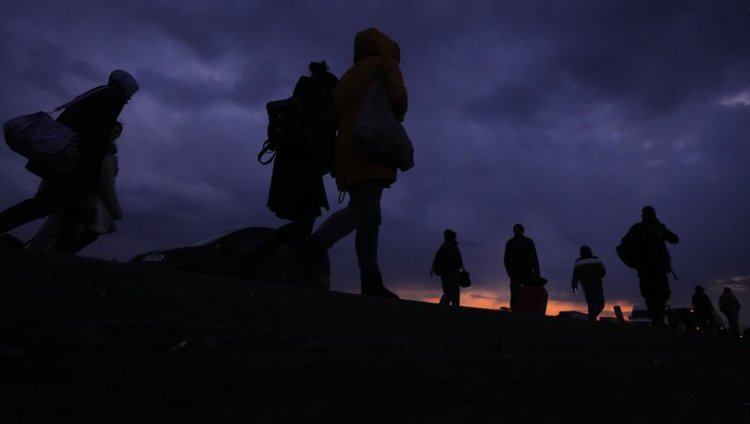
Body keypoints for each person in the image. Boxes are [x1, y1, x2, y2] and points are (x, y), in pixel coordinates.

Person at [305, 28, 408, 298]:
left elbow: (333, 115)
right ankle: (314, 245)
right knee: (364, 209)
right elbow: (398, 99)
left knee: (370, 216)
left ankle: (371, 279)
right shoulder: (386, 64)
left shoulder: (349, 75)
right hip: (372, 145)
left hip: (347, 150)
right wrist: (396, 113)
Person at [0, 70, 138, 253]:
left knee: (65, 209)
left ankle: (60, 258)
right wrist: (79, 151)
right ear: (126, 87)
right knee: (51, 206)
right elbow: (95, 131)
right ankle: (60, 259)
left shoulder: (97, 93)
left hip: (67, 160)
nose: (128, 100)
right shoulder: (114, 96)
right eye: (131, 93)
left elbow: (72, 123)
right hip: (76, 165)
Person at [251, 61, 338, 287]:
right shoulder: (317, 103)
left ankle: (255, 258)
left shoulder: (299, 101)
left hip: (288, 170)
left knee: (301, 221)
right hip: (304, 171)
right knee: (304, 220)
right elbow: (321, 143)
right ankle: (296, 275)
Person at [27, 122, 124, 254]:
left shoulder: (109, 152)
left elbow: (108, 180)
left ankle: (49, 255)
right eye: (113, 130)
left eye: (117, 132)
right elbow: (106, 181)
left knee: (72, 229)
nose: (114, 134)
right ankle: (48, 255)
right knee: (64, 227)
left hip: (89, 197)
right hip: (79, 194)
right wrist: (115, 209)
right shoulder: (97, 148)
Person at [622, 206, 679, 326]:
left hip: (659, 268)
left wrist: (661, 228)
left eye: (651, 214)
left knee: (662, 294)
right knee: (650, 294)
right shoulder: (637, 229)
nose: (650, 216)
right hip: (646, 269)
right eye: (648, 214)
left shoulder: (658, 228)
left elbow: (674, 239)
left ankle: (658, 319)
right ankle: (656, 320)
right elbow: (624, 245)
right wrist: (634, 262)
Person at [503, 223, 540, 310]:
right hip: (527, 272)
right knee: (528, 292)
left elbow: (506, 260)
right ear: (523, 231)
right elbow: (534, 259)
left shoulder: (510, 242)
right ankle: (528, 310)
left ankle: (514, 311)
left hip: (515, 272)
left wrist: (509, 272)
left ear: (514, 231)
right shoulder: (529, 242)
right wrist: (537, 274)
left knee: (515, 293)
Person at [570, 245, 606, 320]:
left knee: (590, 303)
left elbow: (575, 276)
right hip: (597, 284)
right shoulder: (596, 260)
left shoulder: (578, 262)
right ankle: (593, 316)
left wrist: (574, 287)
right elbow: (603, 272)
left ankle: (591, 319)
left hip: (585, 285)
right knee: (601, 304)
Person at [432, 229, 465, 307]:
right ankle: (454, 311)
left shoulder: (443, 248)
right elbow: (458, 262)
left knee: (448, 293)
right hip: (452, 273)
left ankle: (442, 310)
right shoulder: (452, 248)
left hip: (444, 274)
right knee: (454, 293)